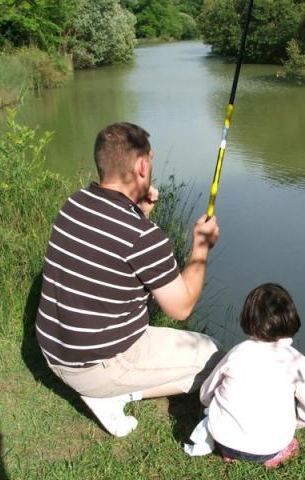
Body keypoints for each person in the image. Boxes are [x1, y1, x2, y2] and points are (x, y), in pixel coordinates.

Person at [35, 122, 223, 437]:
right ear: (141, 165)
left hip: (54, 351)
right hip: (95, 366)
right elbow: (181, 306)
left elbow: (112, 253)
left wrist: (140, 212)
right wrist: (201, 247)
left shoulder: (74, 204)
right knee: (213, 356)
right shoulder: (143, 237)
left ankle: (107, 387)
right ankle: (112, 395)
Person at [199, 283, 305, 468]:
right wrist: (291, 424)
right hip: (270, 446)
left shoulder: (238, 352)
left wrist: (213, 407)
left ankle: (230, 453)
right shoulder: (298, 362)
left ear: (247, 319)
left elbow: (205, 394)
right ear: (291, 318)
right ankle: (276, 454)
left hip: (223, 441)